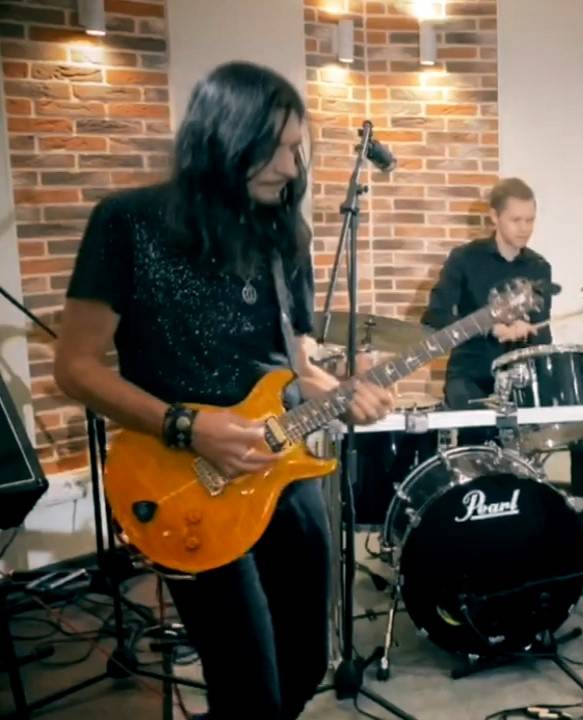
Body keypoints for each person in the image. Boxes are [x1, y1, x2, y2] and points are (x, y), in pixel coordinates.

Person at [54, 62, 394, 719]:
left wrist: (340, 391)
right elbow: (75, 367)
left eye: (297, 149)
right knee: (247, 688)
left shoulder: (284, 235)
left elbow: (292, 360)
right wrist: (188, 425)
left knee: (305, 664)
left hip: (281, 468)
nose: (292, 168)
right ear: (225, 137)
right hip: (182, 477)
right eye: (279, 148)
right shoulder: (128, 222)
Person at [423, 178, 583, 540]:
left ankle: (582, 504)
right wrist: (491, 328)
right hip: (473, 372)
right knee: (480, 432)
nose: (525, 228)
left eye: (530, 220)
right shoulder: (464, 259)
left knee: (582, 409)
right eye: (516, 220)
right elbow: (435, 316)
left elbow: (541, 331)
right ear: (494, 217)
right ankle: (480, 512)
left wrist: (528, 333)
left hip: (522, 375)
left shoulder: (539, 266)